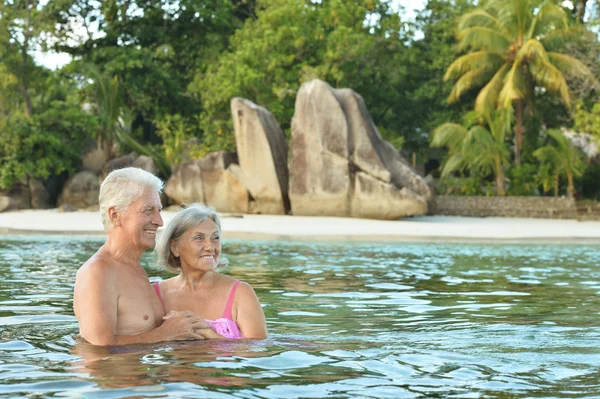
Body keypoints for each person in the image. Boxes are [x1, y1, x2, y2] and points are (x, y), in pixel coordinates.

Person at [73, 167, 211, 346]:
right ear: (115, 215)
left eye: (158, 210)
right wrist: (166, 333)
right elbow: (98, 348)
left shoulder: (134, 268)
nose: (159, 221)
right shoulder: (97, 272)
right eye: (148, 210)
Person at [154, 203, 267, 339]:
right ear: (175, 248)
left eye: (215, 238)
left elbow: (257, 351)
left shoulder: (241, 293)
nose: (210, 247)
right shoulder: (154, 294)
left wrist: (207, 334)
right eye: (199, 238)